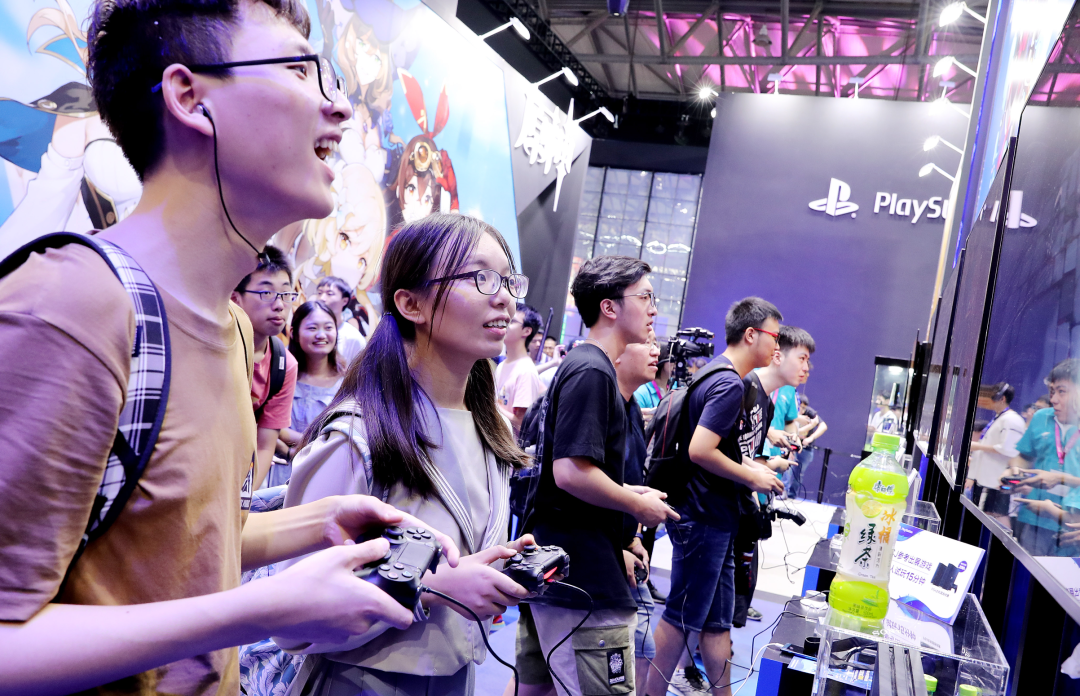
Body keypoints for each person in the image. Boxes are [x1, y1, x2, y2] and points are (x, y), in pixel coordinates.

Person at [0, 1, 463, 692]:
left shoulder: (235, 327)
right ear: (190, 97)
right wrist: (263, 609)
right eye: (299, 71)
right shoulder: (71, 306)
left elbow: (179, 540)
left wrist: (320, 523)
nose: (338, 108)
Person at [275, 214, 536, 695]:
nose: (504, 296)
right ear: (411, 303)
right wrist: (430, 588)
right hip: (359, 681)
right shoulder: (358, 434)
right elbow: (290, 617)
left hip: (457, 677)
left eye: (507, 279)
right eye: (480, 277)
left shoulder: (493, 428)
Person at [529, 255, 679, 696]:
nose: (653, 309)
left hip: (573, 566)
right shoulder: (592, 369)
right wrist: (636, 505)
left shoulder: (591, 367)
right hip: (583, 574)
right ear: (609, 307)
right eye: (645, 297)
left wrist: (628, 492)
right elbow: (570, 472)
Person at [646, 297, 785, 696]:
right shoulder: (728, 383)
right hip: (703, 516)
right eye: (774, 336)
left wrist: (753, 468)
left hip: (713, 517)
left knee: (716, 623)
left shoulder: (716, 374)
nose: (777, 346)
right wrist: (751, 477)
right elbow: (700, 450)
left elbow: (718, 449)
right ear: (751, 334)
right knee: (680, 616)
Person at [616, 336, 664, 696]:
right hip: (594, 558)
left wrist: (632, 536)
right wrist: (613, 549)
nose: (656, 351)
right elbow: (573, 484)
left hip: (621, 551)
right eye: (646, 342)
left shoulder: (631, 407)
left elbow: (626, 481)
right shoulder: (597, 399)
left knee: (644, 649)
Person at [232, 245, 300, 488]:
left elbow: (264, 446)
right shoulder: (214, 347)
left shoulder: (284, 365)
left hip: (238, 471)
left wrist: (243, 499)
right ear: (235, 298)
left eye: (286, 293)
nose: (280, 305)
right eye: (266, 293)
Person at [1009, 360, 1080, 556]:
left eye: (1062, 391)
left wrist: (1059, 478)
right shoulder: (1042, 418)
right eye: (1052, 391)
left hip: (1072, 525)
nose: (1053, 399)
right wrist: (1015, 472)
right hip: (1035, 517)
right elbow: (1023, 457)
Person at [275, 300, 345, 483]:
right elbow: (270, 426)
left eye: (328, 327)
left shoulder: (347, 383)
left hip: (326, 474)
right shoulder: (280, 373)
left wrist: (290, 449)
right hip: (280, 473)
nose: (321, 335)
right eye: (312, 328)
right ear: (294, 333)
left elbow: (342, 438)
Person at [965, 382, 1025, 524]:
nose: (989, 401)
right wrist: (972, 476)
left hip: (998, 481)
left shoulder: (1011, 420)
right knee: (985, 516)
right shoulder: (1000, 418)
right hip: (988, 480)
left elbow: (1008, 448)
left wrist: (978, 446)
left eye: (992, 397)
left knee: (996, 518)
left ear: (1002, 399)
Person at [496, 302, 544, 435]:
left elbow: (521, 424)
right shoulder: (502, 365)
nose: (505, 324)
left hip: (509, 445)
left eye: (511, 321)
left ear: (527, 331)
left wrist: (490, 405)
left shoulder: (526, 371)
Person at [316, 275, 368, 367]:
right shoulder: (308, 331)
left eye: (329, 294)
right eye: (319, 293)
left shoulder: (354, 338)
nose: (322, 298)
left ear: (345, 301)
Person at [795, 392, 828, 497]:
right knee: (787, 471)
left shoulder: (810, 413)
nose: (801, 410)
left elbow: (823, 426)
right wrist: (810, 426)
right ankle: (783, 492)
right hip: (792, 445)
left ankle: (791, 495)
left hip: (806, 448)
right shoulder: (791, 411)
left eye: (804, 408)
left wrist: (811, 438)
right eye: (799, 407)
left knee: (799, 473)